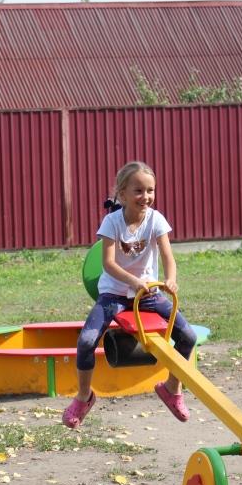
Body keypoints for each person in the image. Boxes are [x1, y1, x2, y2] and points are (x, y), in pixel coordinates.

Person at [61, 161, 198, 429]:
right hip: (114, 294)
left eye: (150, 190)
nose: (145, 196)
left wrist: (170, 280)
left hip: (148, 295)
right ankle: (83, 396)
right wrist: (134, 281)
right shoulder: (112, 222)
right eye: (138, 191)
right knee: (86, 341)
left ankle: (172, 388)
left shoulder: (156, 220)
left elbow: (168, 257)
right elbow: (108, 263)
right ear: (122, 194)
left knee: (188, 337)